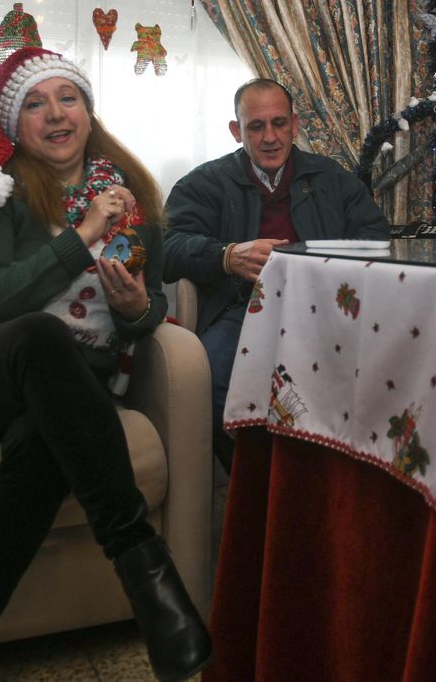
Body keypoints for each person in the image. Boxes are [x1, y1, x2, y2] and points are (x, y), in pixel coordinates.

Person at [0, 47, 211, 682]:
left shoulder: (129, 197)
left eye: (67, 98)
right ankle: (142, 563)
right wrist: (79, 237)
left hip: (67, 391)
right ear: (17, 127)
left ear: (89, 113)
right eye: (35, 104)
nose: (55, 114)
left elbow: (146, 315)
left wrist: (135, 308)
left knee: (43, 455)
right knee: (44, 335)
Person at [163, 79, 389, 472]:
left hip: (327, 309)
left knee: (379, 373)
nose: (270, 137)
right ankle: (256, 490)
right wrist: (227, 256)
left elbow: (376, 237)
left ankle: (328, 486)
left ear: (295, 125)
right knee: (212, 380)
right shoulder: (206, 182)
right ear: (237, 130)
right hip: (241, 309)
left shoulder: (331, 177)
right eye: (256, 126)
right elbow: (166, 248)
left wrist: (322, 265)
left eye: (279, 124)